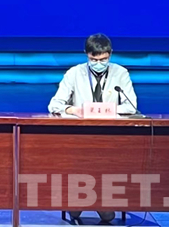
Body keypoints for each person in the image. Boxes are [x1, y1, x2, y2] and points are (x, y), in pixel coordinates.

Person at [47, 33, 138, 224]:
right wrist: (74, 110)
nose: (98, 63)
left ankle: (102, 199)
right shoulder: (74, 73)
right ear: (86, 54)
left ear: (110, 54)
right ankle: (80, 198)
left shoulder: (121, 73)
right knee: (74, 212)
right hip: (80, 138)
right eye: (93, 60)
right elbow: (54, 104)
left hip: (110, 138)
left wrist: (105, 110)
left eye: (103, 59)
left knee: (108, 216)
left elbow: (131, 107)